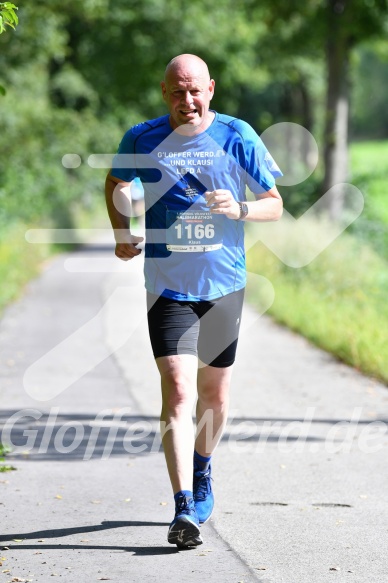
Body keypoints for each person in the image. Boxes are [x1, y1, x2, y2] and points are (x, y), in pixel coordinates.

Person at [105, 54, 283, 548]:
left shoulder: (236, 135)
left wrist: (241, 207)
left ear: (211, 90)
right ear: (164, 93)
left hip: (224, 286)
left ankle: (203, 468)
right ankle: (184, 506)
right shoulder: (141, 138)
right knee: (179, 390)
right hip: (166, 286)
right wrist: (122, 231)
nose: (187, 101)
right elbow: (117, 182)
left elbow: (275, 204)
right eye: (177, 92)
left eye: (195, 91)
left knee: (214, 397)